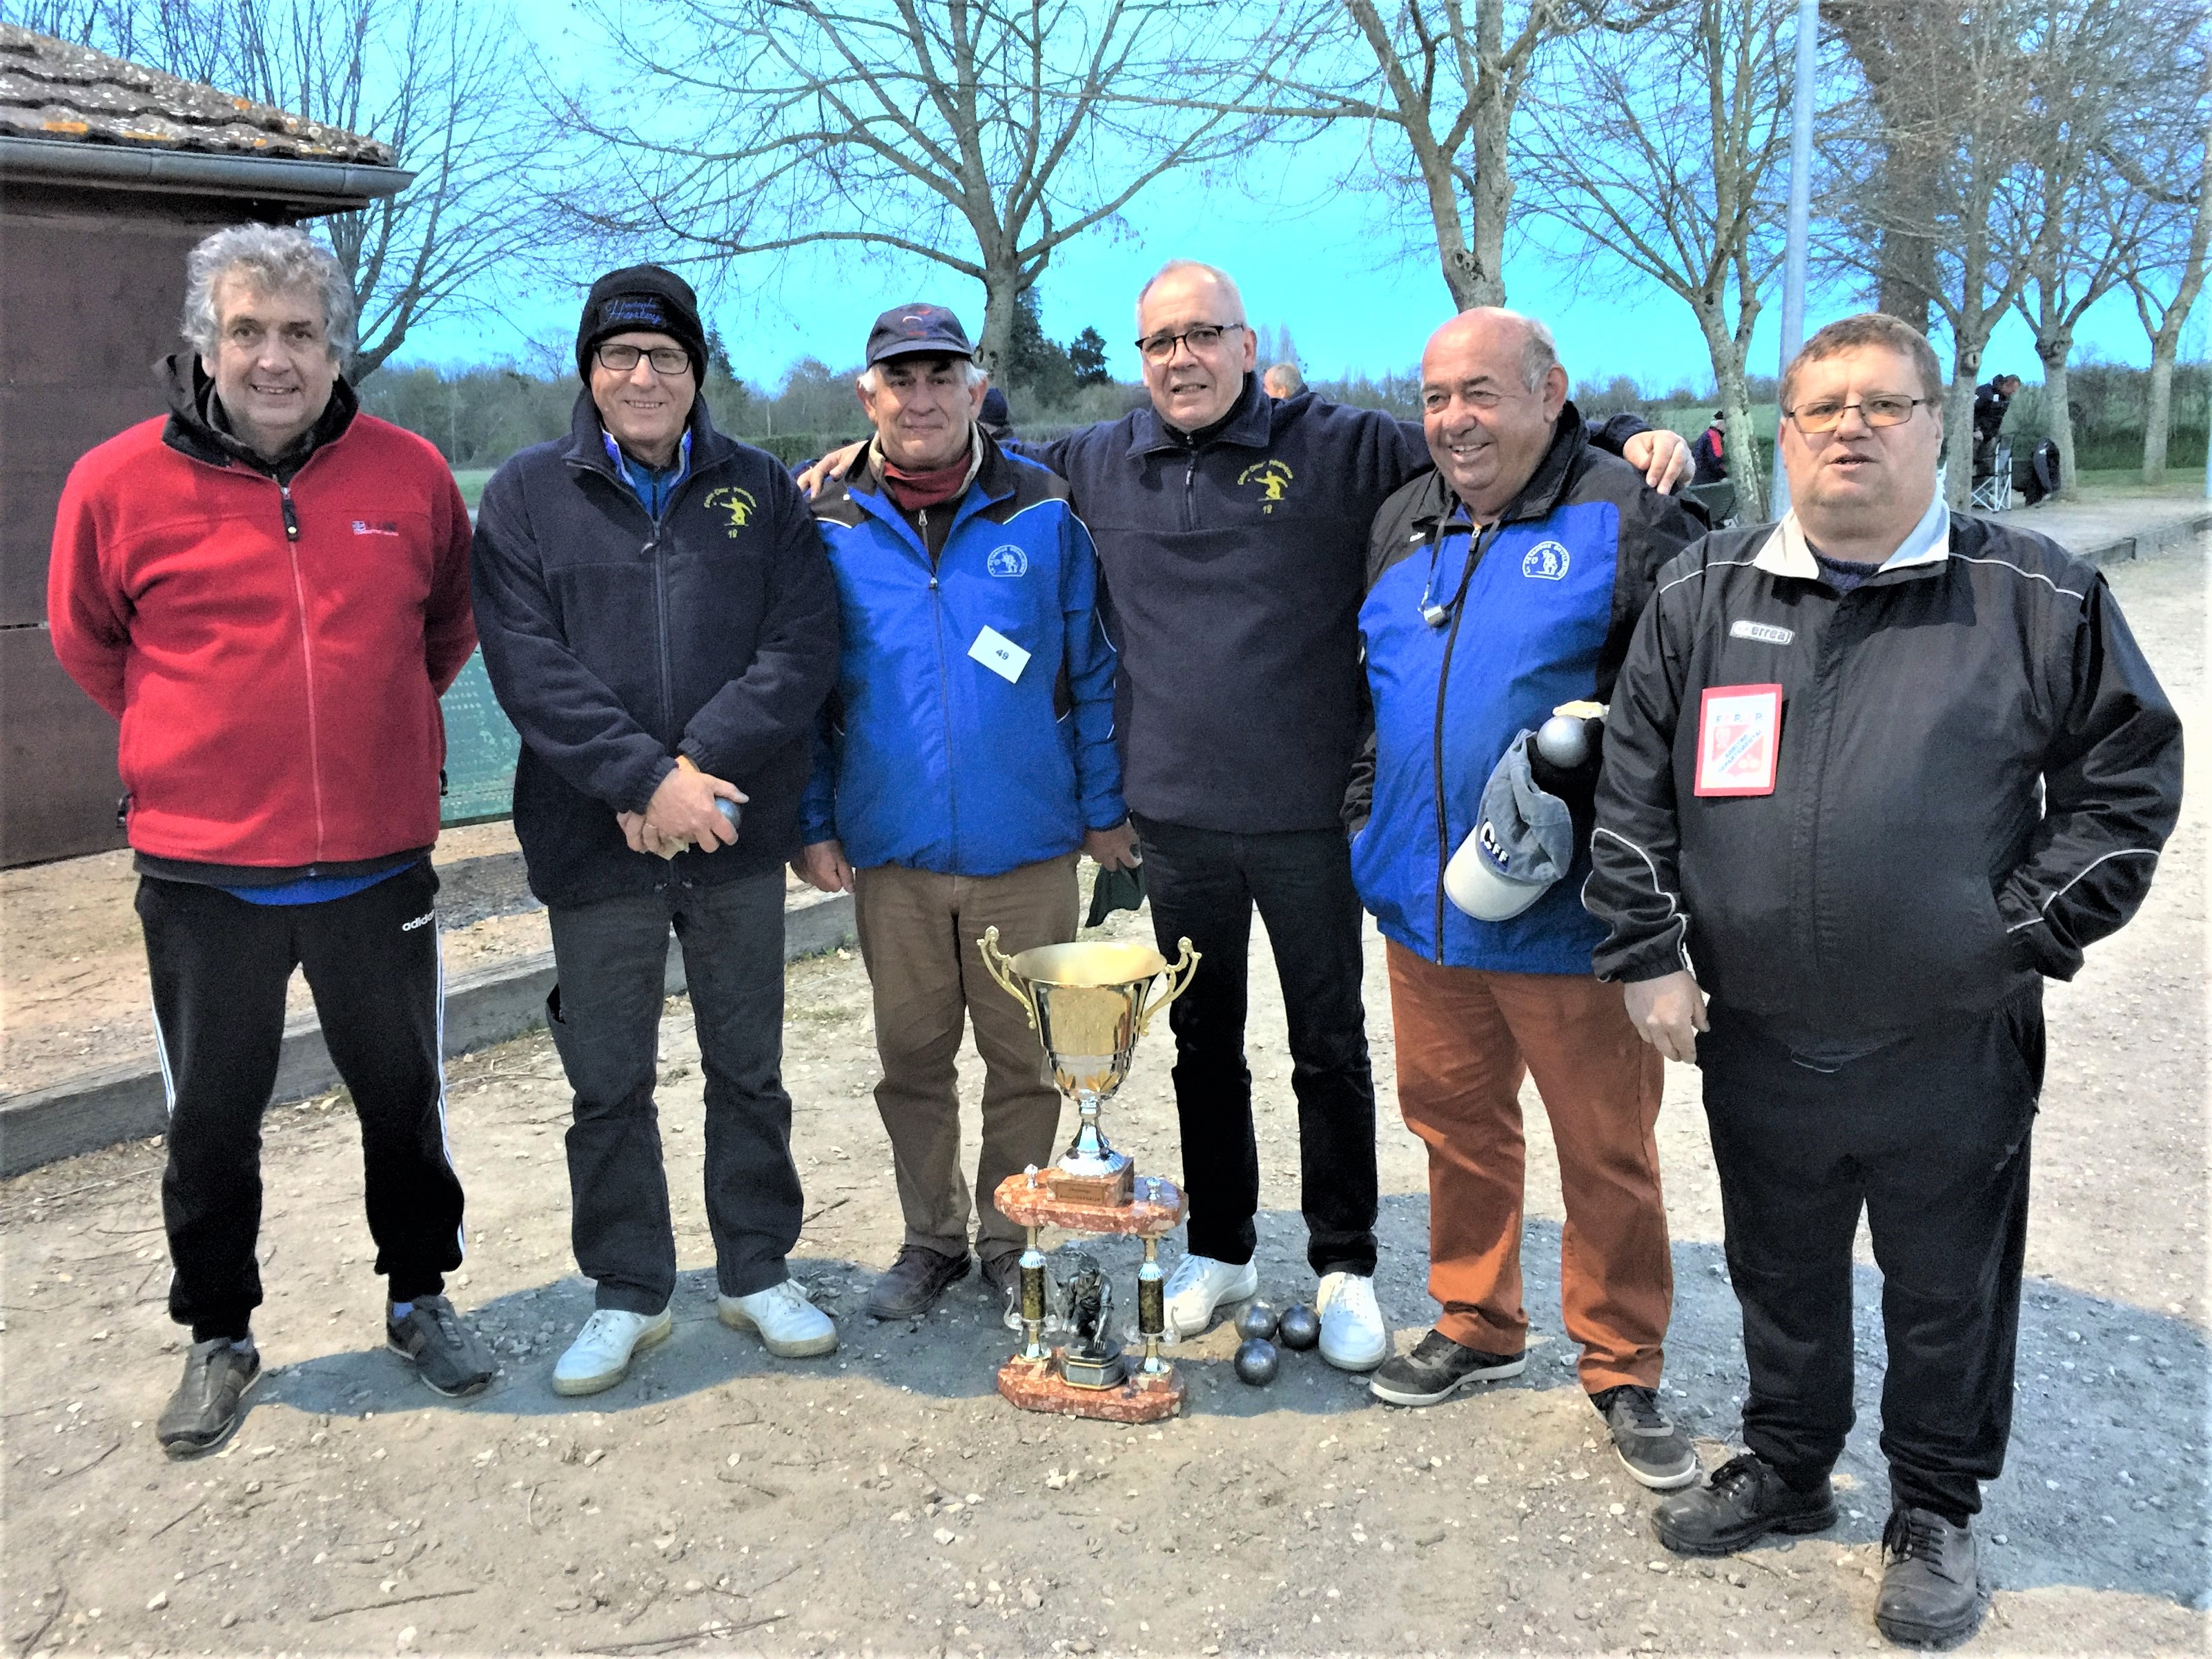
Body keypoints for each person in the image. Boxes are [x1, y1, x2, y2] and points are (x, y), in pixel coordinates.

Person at [804, 259, 1692, 1371]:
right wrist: (848, 467)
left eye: (1202, 336)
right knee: (1199, 1047)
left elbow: (1492, 426)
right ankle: (1220, 1250)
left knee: (1329, 1048)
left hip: (1313, 817)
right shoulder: (1095, 464)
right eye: (1159, 343)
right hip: (1173, 821)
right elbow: (965, 451)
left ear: (1243, 343)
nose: (1181, 359)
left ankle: (1344, 1263)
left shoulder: (1340, 447)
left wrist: (1630, 432)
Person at [1587, 313, 2182, 1647]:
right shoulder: (1702, 593)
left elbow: (2128, 783)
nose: (1851, 426)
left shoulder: (2036, 593)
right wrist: (1647, 951)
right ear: (1780, 435)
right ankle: (1792, 1463)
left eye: (1885, 405)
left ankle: (1932, 1505)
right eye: (1822, 408)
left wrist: (2012, 932)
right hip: (1753, 1025)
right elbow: (1630, 789)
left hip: (1950, 1033)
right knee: (1779, 1266)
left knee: (1945, 1280)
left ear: (1941, 424)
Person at [48, 224, 495, 1454]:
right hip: (203, 872)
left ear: (335, 345)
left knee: (404, 1098)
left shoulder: (409, 478)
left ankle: (420, 1295)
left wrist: (371, 736)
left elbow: (444, 631)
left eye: (299, 332)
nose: (274, 357)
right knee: (209, 1117)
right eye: (247, 330)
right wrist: (198, 744)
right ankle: (220, 1332)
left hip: (375, 859)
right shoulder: (114, 483)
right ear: (206, 343)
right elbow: (92, 645)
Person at [1344, 308, 1705, 1489]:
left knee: (1606, 1147)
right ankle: (1476, 1315)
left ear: (1552, 393)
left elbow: (1690, 703)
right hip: (1425, 909)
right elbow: (1371, 697)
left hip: (1572, 920)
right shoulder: (1400, 520)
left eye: (1483, 392)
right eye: (1437, 395)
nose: (1454, 418)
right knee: (1455, 1124)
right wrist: (1367, 825)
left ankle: (1620, 1357)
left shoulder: (1626, 506)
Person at [472, 265, 843, 1395]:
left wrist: (698, 774)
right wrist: (639, 780)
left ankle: (754, 1266)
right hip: (595, 846)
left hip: (729, 832)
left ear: (697, 372)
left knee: (749, 1066)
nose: (643, 376)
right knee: (608, 1081)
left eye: (666, 358)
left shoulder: (762, 491)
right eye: (621, 357)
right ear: (590, 371)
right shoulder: (529, 496)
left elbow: (799, 646)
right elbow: (527, 664)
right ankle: (629, 1290)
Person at [793, 304, 1135, 1319]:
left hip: (1027, 849)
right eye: (900, 379)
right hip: (891, 849)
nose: (922, 396)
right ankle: (930, 1239)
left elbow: (1094, 667)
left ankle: (1008, 1233)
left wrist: (1104, 811)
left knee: (1027, 1060)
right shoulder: (825, 519)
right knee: (910, 1058)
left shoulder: (1043, 507)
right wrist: (814, 822)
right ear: (868, 397)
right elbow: (807, 691)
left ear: (977, 388)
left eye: (942, 375)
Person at [1972, 372, 2021, 480]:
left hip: (1989, 436)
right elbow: (1971, 411)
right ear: (2006, 384)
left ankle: (1983, 479)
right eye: (2012, 390)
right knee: (1972, 455)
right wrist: (1976, 429)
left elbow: (1998, 419)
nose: (2013, 393)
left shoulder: (2005, 398)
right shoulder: (1985, 392)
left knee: (1988, 461)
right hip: (1975, 435)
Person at [1691, 411, 1727, 484]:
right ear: (1720, 424)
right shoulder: (1714, 436)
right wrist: (1723, 476)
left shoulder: (1707, 434)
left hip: (1698, 475)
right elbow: (1716, 459)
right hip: (1706, 478)